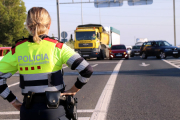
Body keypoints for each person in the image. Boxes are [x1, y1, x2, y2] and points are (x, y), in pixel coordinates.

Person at [0, 7, 93, 120]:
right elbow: (86, 69)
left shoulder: (17, 50)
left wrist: (13, 101)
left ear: (28, 26)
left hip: (28, 112)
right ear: (49, 25)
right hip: (55, 111)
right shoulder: (57, 47)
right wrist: (74, 90)